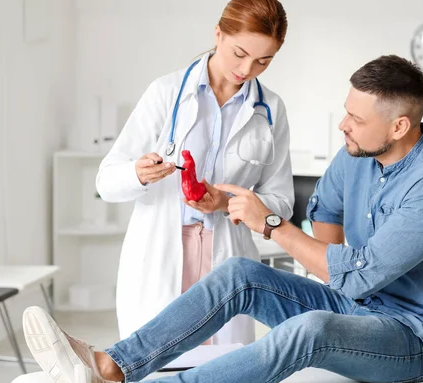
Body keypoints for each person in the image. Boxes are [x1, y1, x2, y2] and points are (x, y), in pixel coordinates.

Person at [23, 54, 423, 383]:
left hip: (417, 338)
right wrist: (332, 278)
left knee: (313, 329)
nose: (343, 125)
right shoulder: (358, 151)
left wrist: (273, 224)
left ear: (400, 125)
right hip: (358, 306)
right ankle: (112, 366)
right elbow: (327, 208)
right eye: (347, 111)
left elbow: (362, 273)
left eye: (357, 120)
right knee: (238, 274)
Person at [95, 0, 294, 345]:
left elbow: (281, 203)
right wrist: (138, 174)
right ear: (218, 34)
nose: (247, 69)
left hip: (227, 254)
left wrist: (225, 202)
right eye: (240, 53)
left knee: (220, 373)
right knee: (154, 364)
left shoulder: (270, 109)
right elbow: (107, 182)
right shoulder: (166, 93)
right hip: (164, 250)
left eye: (264, 61)